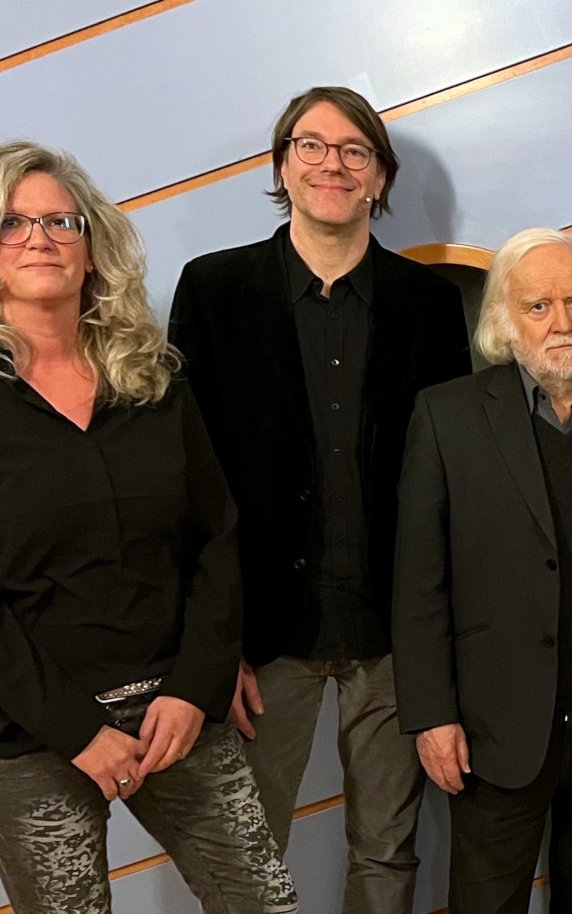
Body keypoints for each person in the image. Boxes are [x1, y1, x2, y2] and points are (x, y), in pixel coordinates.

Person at [0, 141, 297, 913]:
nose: (39, 239)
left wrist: (196, 687)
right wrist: (78, 731)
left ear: (92, 247)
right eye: (11, 224)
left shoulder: (152, 378)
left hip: (173, 710)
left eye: (60, 221)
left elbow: (215, 538)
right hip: (27, 733)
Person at [169, 85, 472, 912]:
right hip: (262, 640)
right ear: (281, 166)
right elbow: (189, 480)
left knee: (388, 850)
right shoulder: (213, 290)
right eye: (312, 145)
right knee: (244, 852)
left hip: (392, 632)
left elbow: (453, 483)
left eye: (354, 151)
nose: (332, 164)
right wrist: (211, 645)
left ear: (379, 177)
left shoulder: (431, 305)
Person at [392, 227, 572, 913]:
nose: (563, 323)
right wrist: (431, 715)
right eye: (540, 306)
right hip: (495, 731)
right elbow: (419, 582)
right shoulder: (448, 417)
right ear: (503, 319)